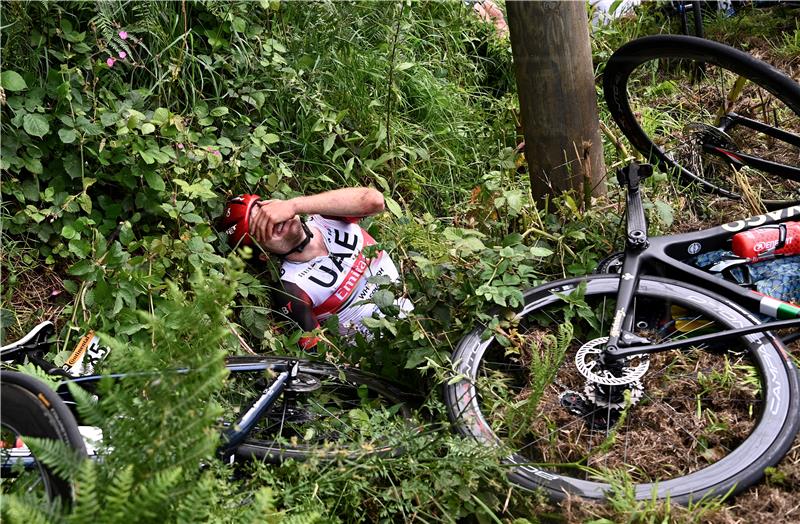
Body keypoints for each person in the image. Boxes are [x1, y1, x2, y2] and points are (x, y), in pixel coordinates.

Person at [221, 188, 412, 350]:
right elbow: (322, 353)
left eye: (269, 212)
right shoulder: (291, 288)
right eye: (262, 226)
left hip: (421, 305)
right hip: (393, 349)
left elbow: (375, 201)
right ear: (263, 254)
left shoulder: (326, 216)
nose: (274, 221)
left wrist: (293, 205)